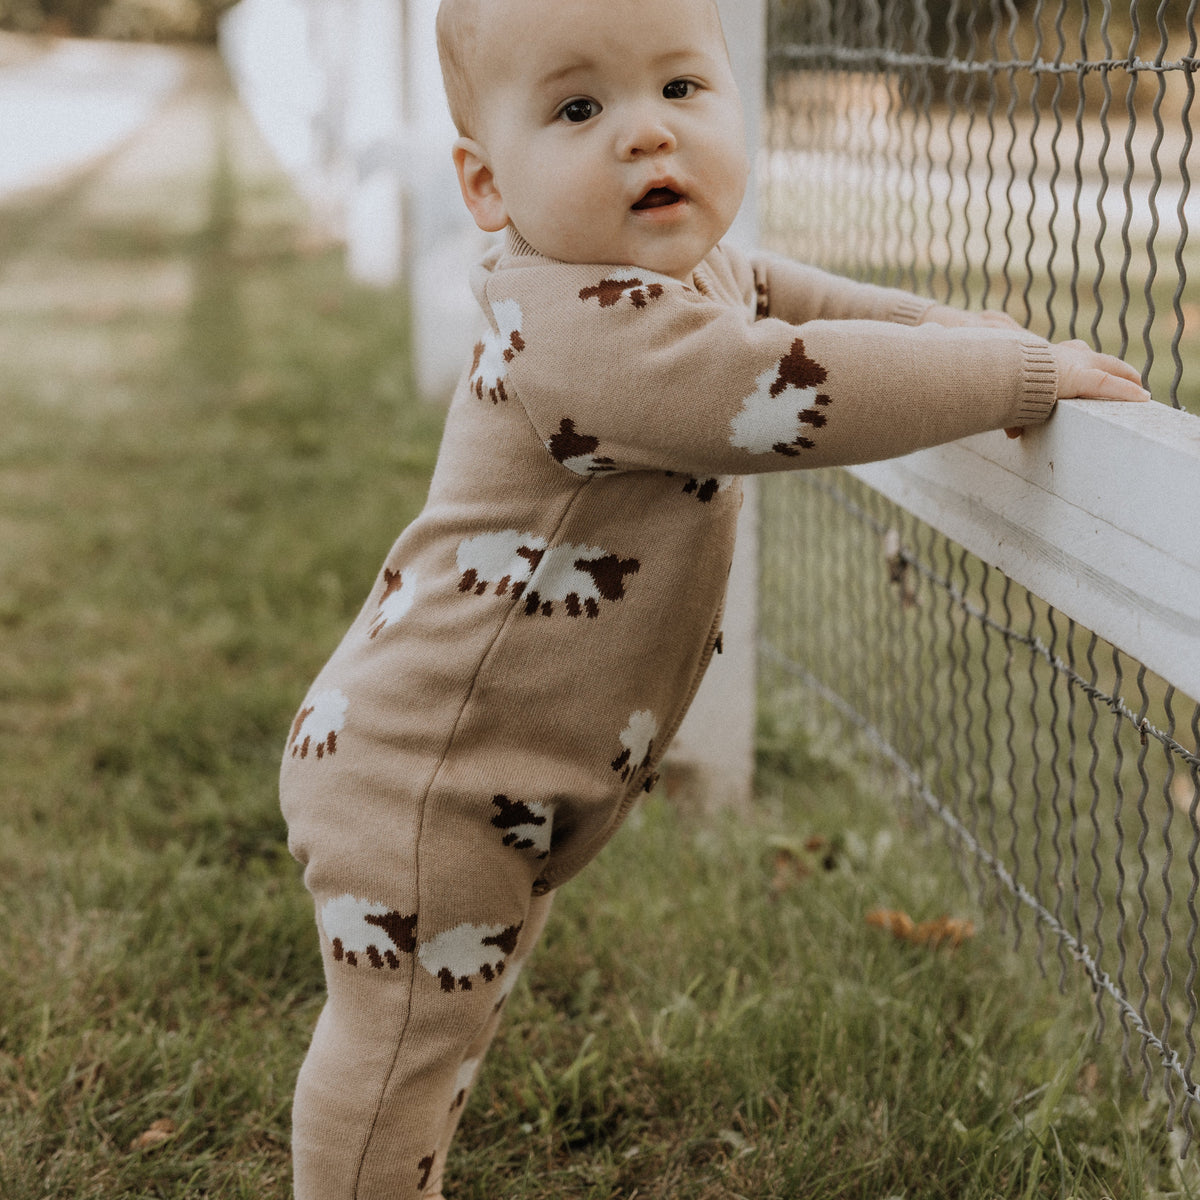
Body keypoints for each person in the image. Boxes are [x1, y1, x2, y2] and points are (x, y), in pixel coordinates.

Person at [278, 0, 1150, 1195]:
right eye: (580, 109)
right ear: (487, 186)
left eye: (682, 90)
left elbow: (818, 304)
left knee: (441, 1032)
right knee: (397, 1056)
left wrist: (952, 326)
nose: (648, 135)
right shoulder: (578, 333)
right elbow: (792, 382)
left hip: (500, 776)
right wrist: (1009, 372)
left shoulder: (696, 268)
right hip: (426, 777)